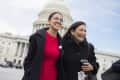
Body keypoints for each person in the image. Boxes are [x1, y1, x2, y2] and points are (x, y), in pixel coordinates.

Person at [22, 12, 64, 80]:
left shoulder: (61, 42)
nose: (59, 21)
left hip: (52, 77)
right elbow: (29, 59)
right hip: (36, 76)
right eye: (56, 18)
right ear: (49, 21)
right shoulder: (37, 37)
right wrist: (29, 74)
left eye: (61, 20)